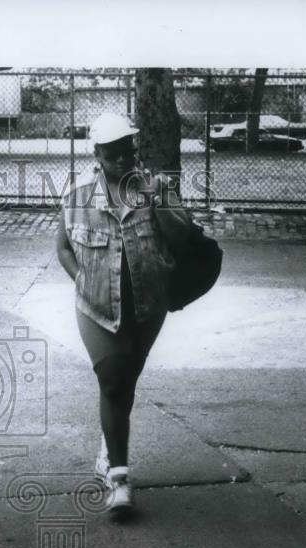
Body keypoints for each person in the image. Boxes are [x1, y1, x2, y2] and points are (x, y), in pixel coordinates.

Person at [55, 112, 189, 519]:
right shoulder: (77, 194)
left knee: (125, 379)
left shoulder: (155, 188)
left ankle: (108, 446)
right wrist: (82, 279)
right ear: (97, 153)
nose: (122, 158)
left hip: (148, 306)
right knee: (112, 380)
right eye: (112, 152)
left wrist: (157, 197)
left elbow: (183, 239)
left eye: (127, 149)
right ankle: (119, 478)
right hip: (95, 306)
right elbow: (62, 246)